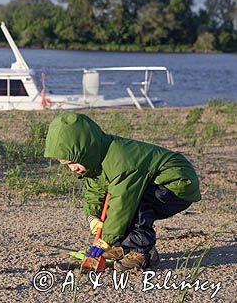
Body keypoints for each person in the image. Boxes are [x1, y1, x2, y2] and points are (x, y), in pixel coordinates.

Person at [44, 113, 201, 270]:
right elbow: (95, 190)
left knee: (133, 203)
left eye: (73, 162)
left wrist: (106, 239)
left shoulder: (121, 160)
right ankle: (123, 247)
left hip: (178, 182)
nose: (73, 169)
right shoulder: (96, 160)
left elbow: (123, 203)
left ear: (86, 150)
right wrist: (93, 216)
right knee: (119, 208)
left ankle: (142, 252)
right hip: (154, 182)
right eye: (67, 164)